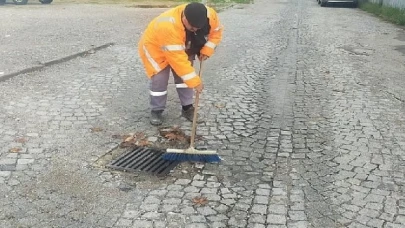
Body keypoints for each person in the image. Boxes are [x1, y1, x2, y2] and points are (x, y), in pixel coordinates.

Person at [138, 2, 223, 126]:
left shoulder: (210, 16)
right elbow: (178, 61)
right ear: (184, 18)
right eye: (192, 27)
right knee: (160, 80)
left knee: (184, 80)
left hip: (183, 44)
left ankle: (187, 108)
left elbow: (216, 33)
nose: (195, 30)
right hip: (155, 48)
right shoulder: (168, 25)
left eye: (198, 28)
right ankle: (156, 110)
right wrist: (195, 82)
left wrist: (207, 50)